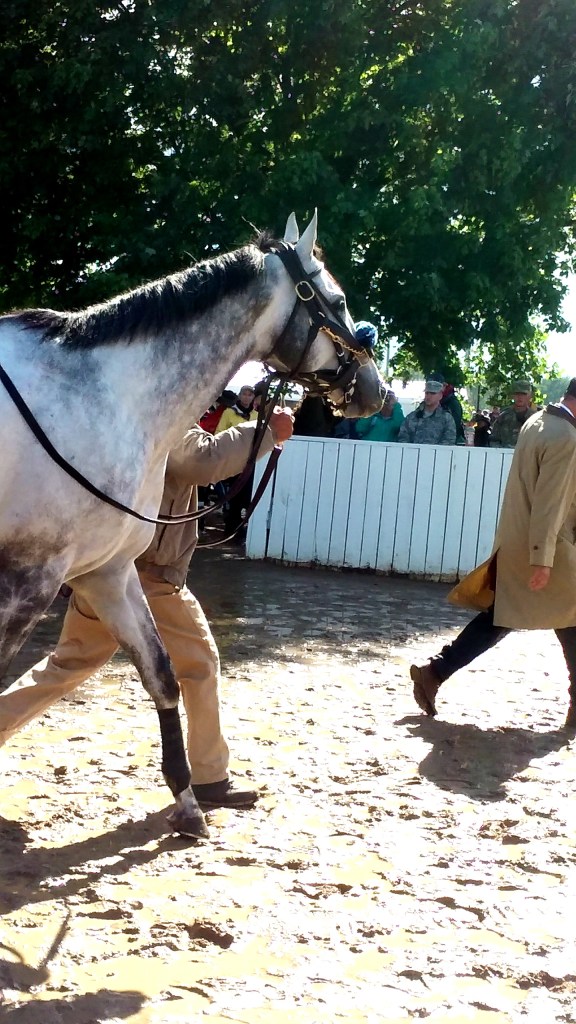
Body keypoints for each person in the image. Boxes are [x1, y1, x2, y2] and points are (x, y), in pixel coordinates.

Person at [0, 410, 294, 807]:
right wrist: (265, 432)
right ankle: (209, 776)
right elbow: (202, 460)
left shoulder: (118, 417)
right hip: (148, 575)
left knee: (68, 665)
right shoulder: (161, 416)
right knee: (200, 666)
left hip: (107, 566)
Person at [409, 379, 576, 729]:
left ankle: (436, 671)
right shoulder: (565, 437)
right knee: (549, 616)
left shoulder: (539, 422)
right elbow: (550, 503)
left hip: (521, 540)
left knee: (506, 616)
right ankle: (435, 671)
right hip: (548, 546)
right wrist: (542, 558)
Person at [397, 380, 457, 445]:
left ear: (440, 395)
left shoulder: (447, 419)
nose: (428, 396)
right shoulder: (412, 417)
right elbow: (403, 438)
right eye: (427, 393)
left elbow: (449, 441)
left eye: (433, 393)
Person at [490, 381, 535, 448]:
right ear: (512, 396)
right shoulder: (503, 417)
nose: (519, 397)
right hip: (505, 453)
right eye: (517, 394)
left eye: (523, 394)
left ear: (530, 396)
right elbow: (493, 440)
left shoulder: (536, 419)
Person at [428, 372, 466, 444]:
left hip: (449, 444)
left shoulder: (453, 404)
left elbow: (454, 427)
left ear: (444, 385)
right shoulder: (426, 404)